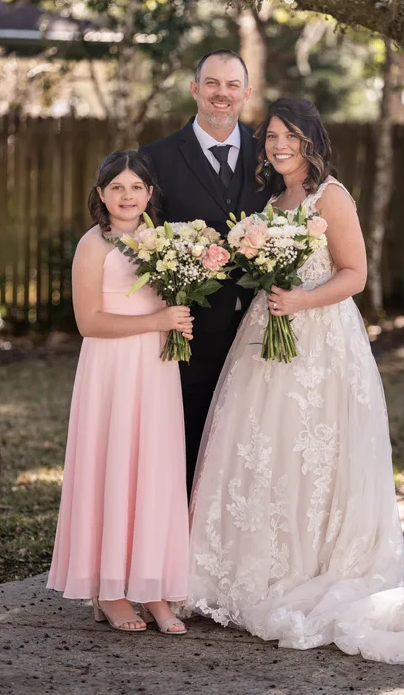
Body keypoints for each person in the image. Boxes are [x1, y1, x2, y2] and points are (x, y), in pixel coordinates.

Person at [186, 99, 404, 665]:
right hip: (269, 334)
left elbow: (355, 274)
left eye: (290, 137)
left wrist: (299, 299)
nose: (279, 146)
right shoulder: (272, 202)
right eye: (272, 137)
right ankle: (262, 564)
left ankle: (313, 566)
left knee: (317, 449)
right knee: (265, 447)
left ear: (311, 142)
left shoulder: (333, 196)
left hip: (322, 339)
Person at [47, 151, 192, 635]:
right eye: (117, 188)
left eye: (136, 188)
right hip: (112, 369)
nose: (127, 197)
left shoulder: (164, 242)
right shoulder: (94, 246)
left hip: (156, 368)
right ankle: (110, 591)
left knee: (154, 468)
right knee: (114, 467)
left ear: (150, 193)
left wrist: (180, 311)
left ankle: (153, 588)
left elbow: (172, 299)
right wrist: (158, 320)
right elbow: (88, 322)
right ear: (101, 194)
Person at [141, 49, 271, 494]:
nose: (222, 94)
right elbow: (143, 240)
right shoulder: (156, 158)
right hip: (190, 329)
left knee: (254, 431)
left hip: (261, 323)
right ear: (195, 89)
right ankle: (184, 532)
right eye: (212, 84)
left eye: (232, 85)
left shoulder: (268, 154)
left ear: (246, 94)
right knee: (189, 429)